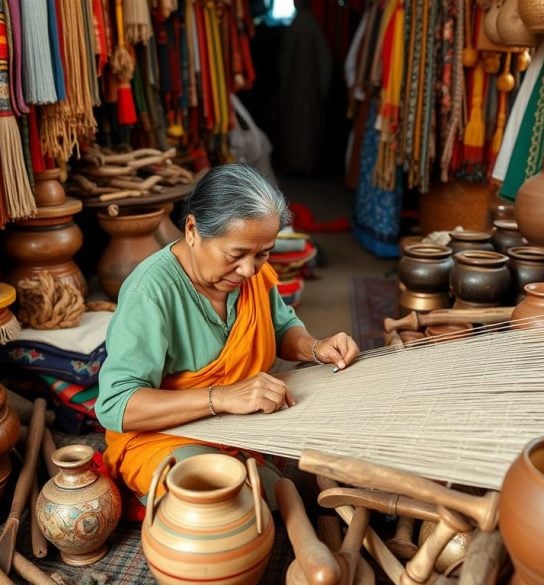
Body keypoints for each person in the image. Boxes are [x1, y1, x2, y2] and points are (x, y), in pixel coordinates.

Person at [95, 163, 360, 501]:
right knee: (223, 503)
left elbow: (280, 327)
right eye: (236, 255)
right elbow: (118, 404)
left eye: (263, 254)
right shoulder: (150, 293)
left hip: (240, 425)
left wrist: (315, 347)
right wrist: (223, 397)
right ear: (192, 230)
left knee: (328, 473)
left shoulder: (252, 275)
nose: (249, 269)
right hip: (165, 433)